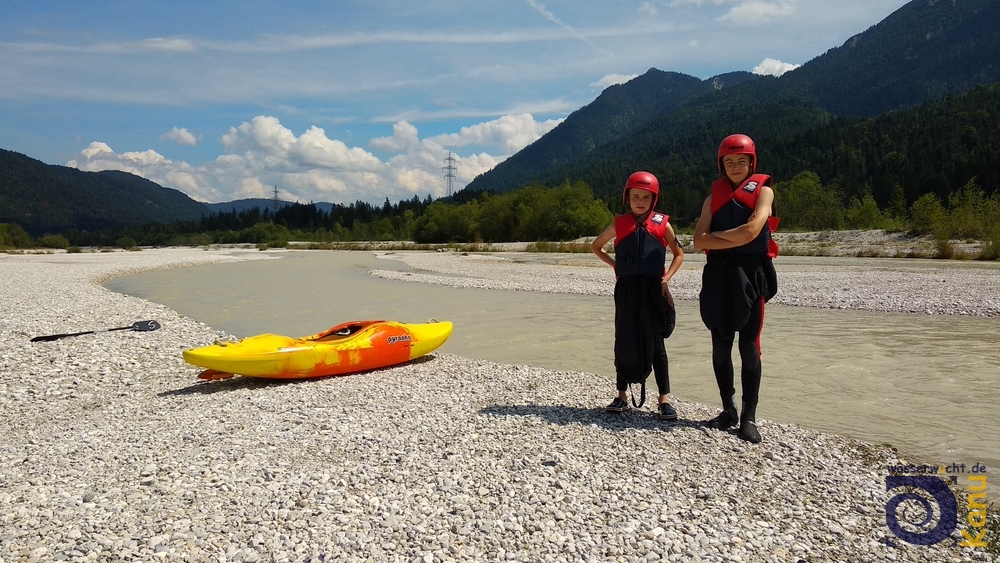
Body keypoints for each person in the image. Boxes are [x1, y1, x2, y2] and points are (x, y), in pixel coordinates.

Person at [693, 133, 779, 443]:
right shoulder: (710, 199)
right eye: (729, 162)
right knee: (720, 346)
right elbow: (697, 240)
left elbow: (753, 230)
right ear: (722, 165)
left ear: (752, 163)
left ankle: (749, 417)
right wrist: (737, 237)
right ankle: (728, 410)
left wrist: (720, 239)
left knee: (749, 347)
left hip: (751, 274)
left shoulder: (763, 193)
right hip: (718, 276)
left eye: (742, 161)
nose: (735, 166)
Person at [590, 171, 685, 420]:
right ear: (627, 198)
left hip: (654, 289)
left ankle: (664, 399)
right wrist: (615, 265)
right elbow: (595, 246)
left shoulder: (663, 224)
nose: (640, 201)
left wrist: (666, 279)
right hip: (627, 290)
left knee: (657, 343)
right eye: (635, 197)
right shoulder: (619, 223)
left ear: (653, 199)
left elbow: (679, 254)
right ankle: (621, 395)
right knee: (624, 339)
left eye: (645, 197)